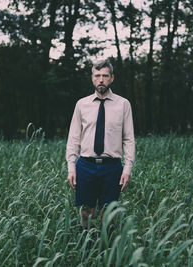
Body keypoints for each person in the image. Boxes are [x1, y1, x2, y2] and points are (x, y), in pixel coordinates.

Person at [66, 59, 135, 229]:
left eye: (105, 75)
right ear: (92, 78)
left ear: (112, 78)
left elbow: (129, 139)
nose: (101, 79)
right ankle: (86, 248)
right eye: (97, 76)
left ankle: (106, 250)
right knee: (86, 212)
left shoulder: (123, 104)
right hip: (86, 165)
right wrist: (71, 167)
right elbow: (73, 138)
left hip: (112, 167)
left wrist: (127, 169)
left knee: (108, 214)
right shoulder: (81, 105)